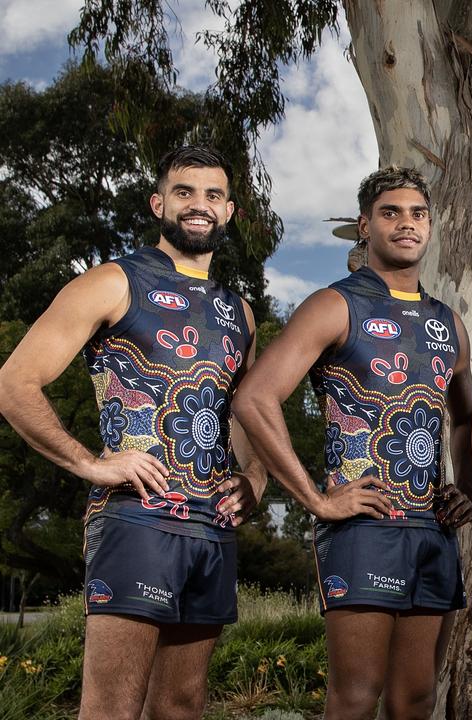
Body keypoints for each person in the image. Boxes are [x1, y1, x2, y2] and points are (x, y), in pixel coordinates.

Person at [0, 146, 265, 719]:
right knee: (111, 709)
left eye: (213, 195)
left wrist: (257, 476)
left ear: (230, 211)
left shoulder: (238, 311)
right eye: (184, 192)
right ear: (158, 203)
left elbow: (244, 411)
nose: (199, 205)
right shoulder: (113, 281)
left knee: (182, 705)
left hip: (212, 527)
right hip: (137, 516)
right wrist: (90, 464)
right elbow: (15, 383)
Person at [232, 166, 472, 720]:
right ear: (365, 226)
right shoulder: (334, 305)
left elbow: (464, 419)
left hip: (432, 530)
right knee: (355, 697)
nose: (406, 223)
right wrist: (317, 501)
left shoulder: (448, 324)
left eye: (418, 213)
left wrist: (464, 485)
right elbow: (254, 398)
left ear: (431, 225)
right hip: (362, 526)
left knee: (415, 699)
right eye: (391, 212)